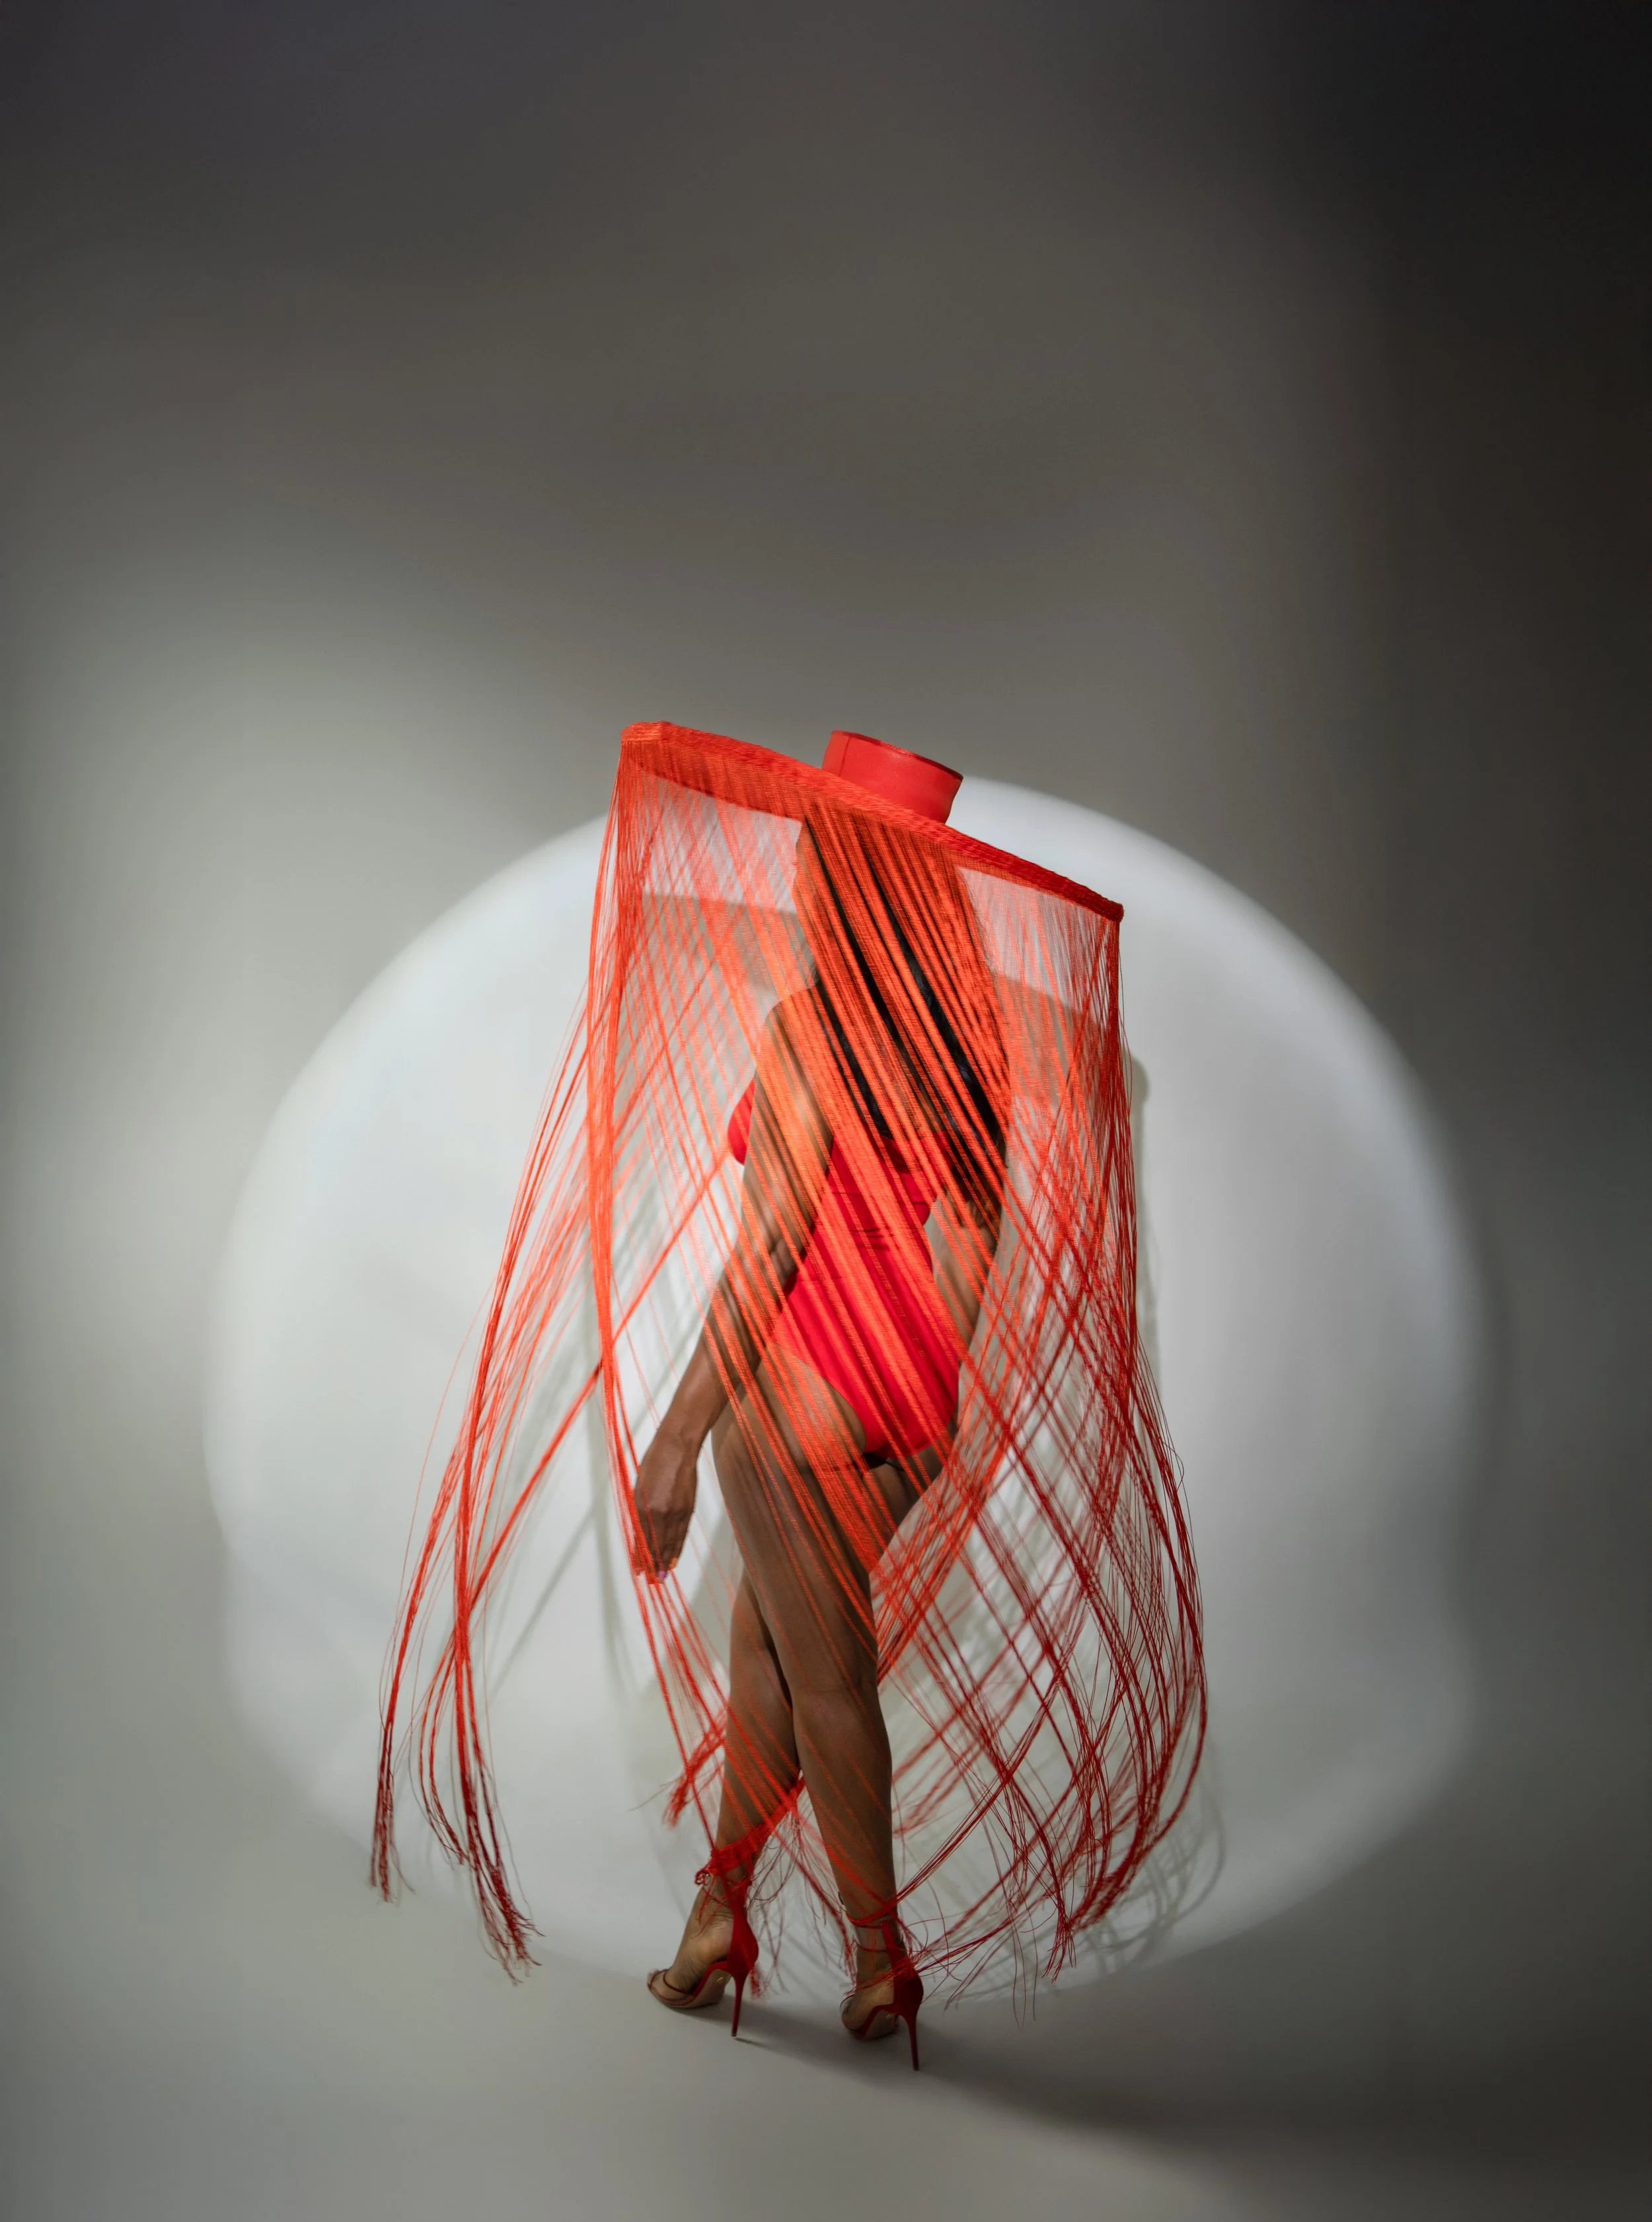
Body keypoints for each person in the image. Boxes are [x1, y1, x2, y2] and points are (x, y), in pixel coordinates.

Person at [373, 724, 1204, 2069]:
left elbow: (763, 1257)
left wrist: (674, 1435)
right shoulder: (969, 1050)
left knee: (825, 1684)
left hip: (800, 1390)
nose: (805, 878)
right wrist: (933, 1422)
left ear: (845, 882)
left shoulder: (811, 1026)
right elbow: (967, 1268)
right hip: (910, 1408)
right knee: (764, 1653)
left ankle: (881, 1955)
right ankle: (720, 1913)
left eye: (819, 857)